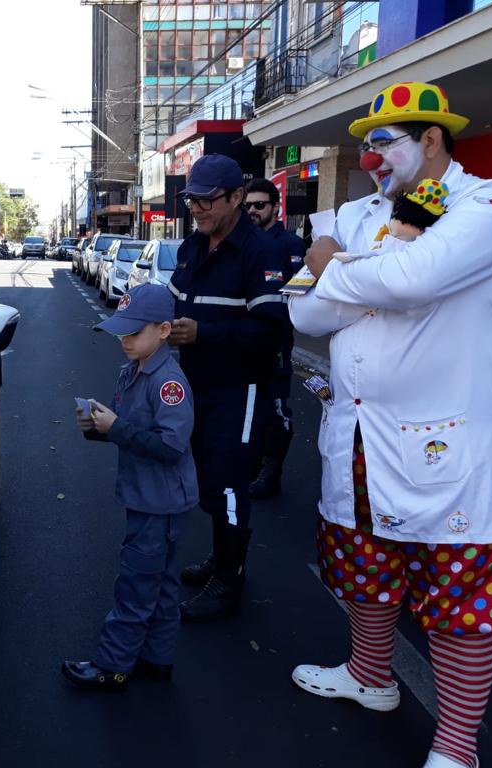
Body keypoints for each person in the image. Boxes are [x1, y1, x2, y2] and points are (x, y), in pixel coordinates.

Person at [288, 81, 492, 768]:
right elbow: (306, 314)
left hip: (453, 444)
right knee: (365, 568)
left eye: (383, 144)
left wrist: (337, 268)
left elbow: (414, 281)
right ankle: (369, 677)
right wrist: (364, 274)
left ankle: (456, 748)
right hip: (360, 435)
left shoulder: (489, 204)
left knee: (460, 597)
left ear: (431, 141)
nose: (370, 160)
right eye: (364, 147)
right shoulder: (365, 217)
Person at [168, 154, 291, 622]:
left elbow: (270, 331)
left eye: (207, 200)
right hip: (196, 384)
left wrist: (203, 333)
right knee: (205, 479)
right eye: (190, 199)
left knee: (230, 485)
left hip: (241, 389)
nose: (196, 208)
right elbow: (179, 301)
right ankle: (222, 559)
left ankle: (229, 581)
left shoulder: (263, 252)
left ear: (237, 198)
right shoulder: (191, 247)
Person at [62, 283, 198, 691]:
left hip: (160, 502)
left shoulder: (168, 383)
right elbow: (132, 430)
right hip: (149, 495)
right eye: (121, 333)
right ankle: (157, 659)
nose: (125, 341)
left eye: (134, 333)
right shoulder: (133, 369)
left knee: (137, 586)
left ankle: (113, 666)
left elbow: (171, 445)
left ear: (163, 330)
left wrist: (116, 428)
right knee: (160, 583)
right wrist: (99, 428)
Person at [243, 177, 307, 499]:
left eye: (260, 205)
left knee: (276, 405)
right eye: (249, 205)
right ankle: (253, 465)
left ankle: (272, 472)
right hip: (243, 341)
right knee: (249, 403)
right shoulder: (243, 242)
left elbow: (298, 294)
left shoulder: (290, 245)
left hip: (276, 340)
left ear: (275, 207)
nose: (253, 211)